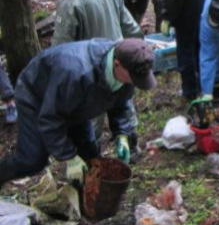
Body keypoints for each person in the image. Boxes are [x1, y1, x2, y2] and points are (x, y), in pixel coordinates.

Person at [0, 38, 157, 188]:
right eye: (133, 77)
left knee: (90, 155)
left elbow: (121, 101)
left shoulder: (127, 64)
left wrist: (122, 134)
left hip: (75, 100)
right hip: (36, 94)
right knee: (32, 160)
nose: (134, 82)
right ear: (117, 64)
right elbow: (50, 119)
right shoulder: (76, 73)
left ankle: (84, 200)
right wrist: (69, 157)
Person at [36, 0, 143, 161]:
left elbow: (61, 50)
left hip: (91, 71)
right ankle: (130, 147)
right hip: (120, 60)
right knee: (122, 106)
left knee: (89, 119)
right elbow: (130, 25)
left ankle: (92, 162)